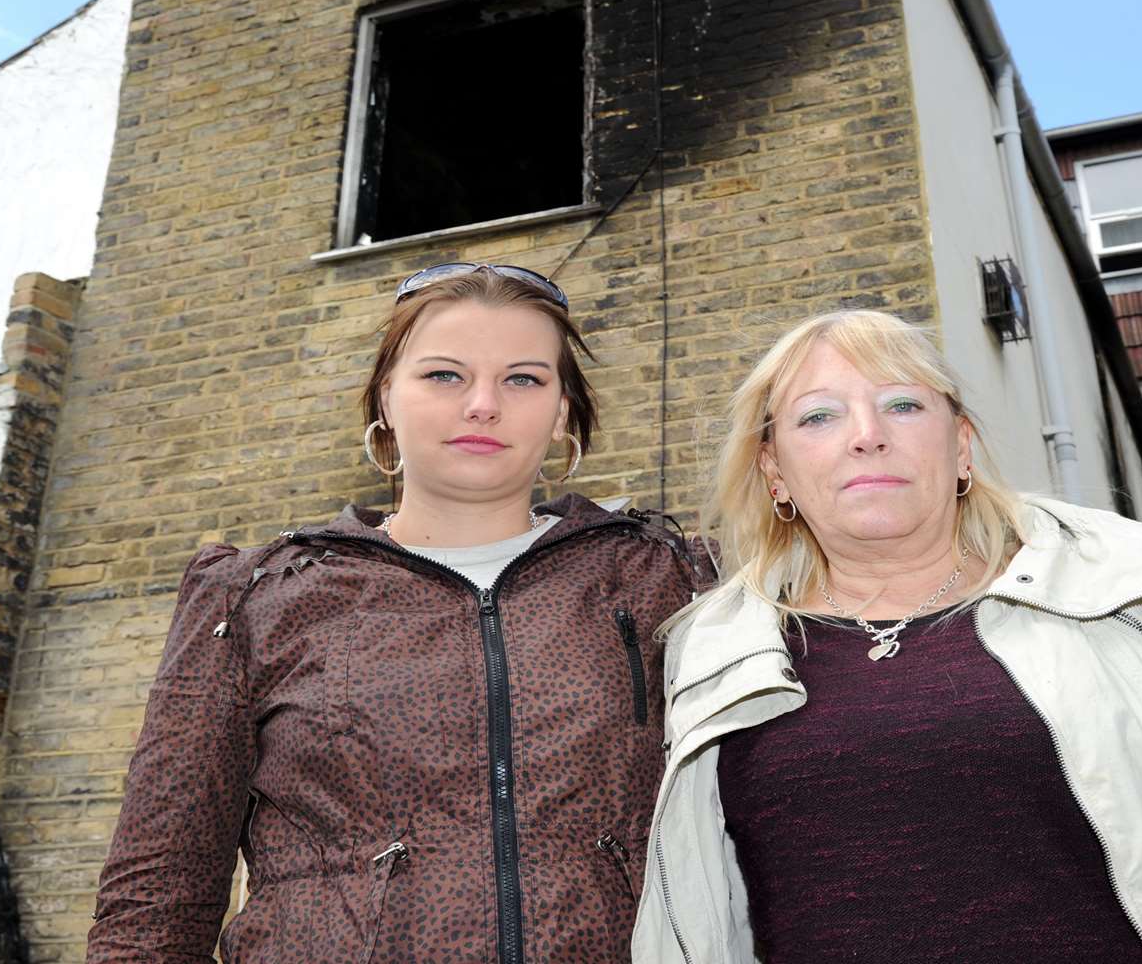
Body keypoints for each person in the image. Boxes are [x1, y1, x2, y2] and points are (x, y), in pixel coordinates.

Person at [632, 309, 1142, 964]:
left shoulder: (1140, 586)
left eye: (902, 404)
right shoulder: (711, 649)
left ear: (961, 447)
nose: (867, 437)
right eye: (818, 416)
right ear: (775, 471)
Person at [88, 264, 712, 963]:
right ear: (385, 399)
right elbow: (156, 898)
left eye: (524, 379)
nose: (482, 404)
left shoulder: (672, 577)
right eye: (444, 375)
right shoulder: (256, 595)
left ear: (563, 409)